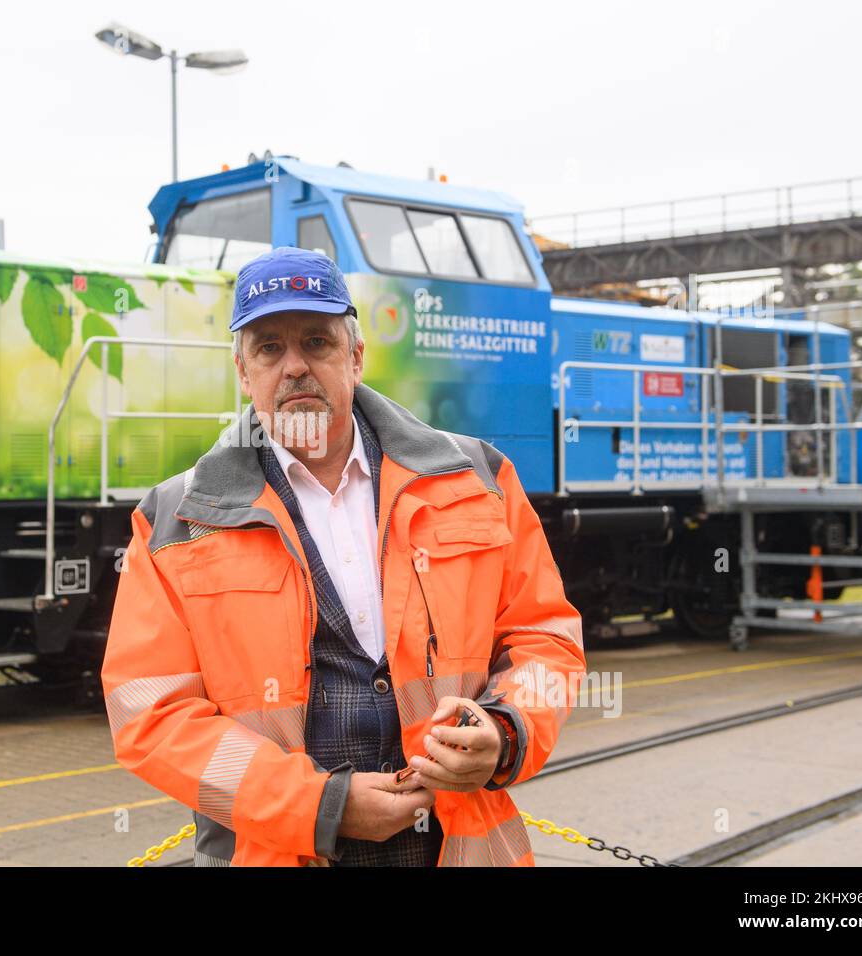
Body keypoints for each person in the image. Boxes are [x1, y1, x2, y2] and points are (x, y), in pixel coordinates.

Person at [102, 246, 585, 866]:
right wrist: (318, 806)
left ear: (355, 358)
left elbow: (546, 636)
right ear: (244, 374)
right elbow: (151, 716)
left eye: (317, 341)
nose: (295, 365)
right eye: (269, 348)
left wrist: (507, 728)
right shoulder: (175, 521)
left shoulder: (479, 481)